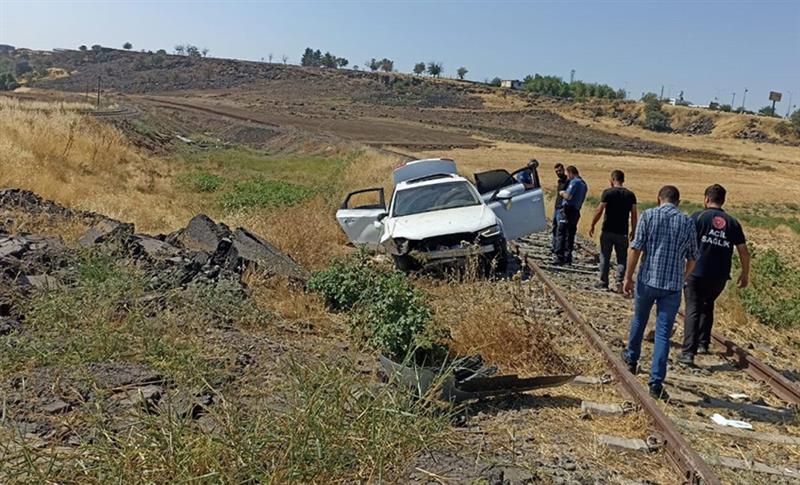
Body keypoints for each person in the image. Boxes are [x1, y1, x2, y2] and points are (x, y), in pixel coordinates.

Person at [622, 185, 698, 400]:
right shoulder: (686, 222)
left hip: (648, 279)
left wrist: (628, 276)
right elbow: (693, 258)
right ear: (678, 202)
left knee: (640, 319)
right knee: (663, 334)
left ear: (659, 198)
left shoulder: (649, 216)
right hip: (672, 287)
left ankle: (631, 358)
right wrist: (682, 277)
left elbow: (635, 248)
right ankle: (656, 383)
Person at [678, 184, 750, 366]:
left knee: (693, 307)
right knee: (708, 305)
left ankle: (688, 352)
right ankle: (703, 343)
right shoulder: (733, 223)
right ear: (723, 200)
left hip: (696, 272)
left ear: (706, 199)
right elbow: (743, 251)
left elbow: (683, 242)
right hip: (719, 276)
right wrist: (745, 273)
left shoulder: (698, 217)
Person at [589, 170, 638, 291]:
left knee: (605, 256)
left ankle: (603, 282)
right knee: (622, 258)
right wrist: (634, 229)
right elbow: (634, 214)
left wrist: (593, 224)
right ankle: (619, 282)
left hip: (607, 230)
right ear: (623, 180)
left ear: (612, 180)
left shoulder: (608, 193)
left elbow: (599, 210)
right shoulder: (630, 195)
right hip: (622, 232)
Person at [553, 165, 587, 265]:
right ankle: (568, 257)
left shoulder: (574, 182)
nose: (567, 176)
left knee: (561, 233)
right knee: (570, 234)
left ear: (571, 173)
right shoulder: (583, 184)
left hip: (568, 211)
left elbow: (568, 196)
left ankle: (559, 257)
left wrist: (562, 193)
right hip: (576, 211)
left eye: (568, 174)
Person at [550, 163, 569, 251]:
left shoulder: (567, 181)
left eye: (559, 171)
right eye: (556, 171)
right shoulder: (560, 181)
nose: (558, 173)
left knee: (560, 229)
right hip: (556, 207)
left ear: (563, 170)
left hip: (562, 208)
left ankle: (559, 248)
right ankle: (554, 246)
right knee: (554, 227)